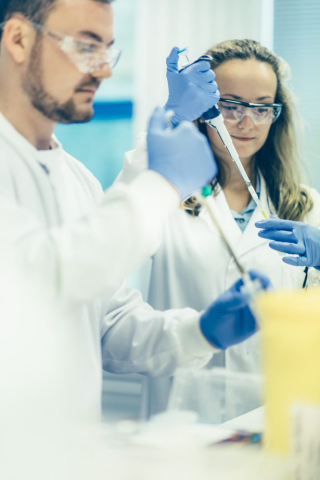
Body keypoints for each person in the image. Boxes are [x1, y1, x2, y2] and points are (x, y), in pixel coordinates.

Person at [0, 0, 271, 422]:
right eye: (86, 46)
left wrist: (198, 332)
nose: (105, 70)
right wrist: (160, 183)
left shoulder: (78, 179)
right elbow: (39, 286)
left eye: (109, 50)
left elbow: (106, 322)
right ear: (18, 39)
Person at [120, 39, 320, 417]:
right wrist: (171, 120)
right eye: (231, 106)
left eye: (262, 108)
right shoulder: (165, 192)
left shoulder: (306, 207)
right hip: (182, 421)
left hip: (276, 419)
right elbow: (114, 237)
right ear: (202, 110)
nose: (247, 122)